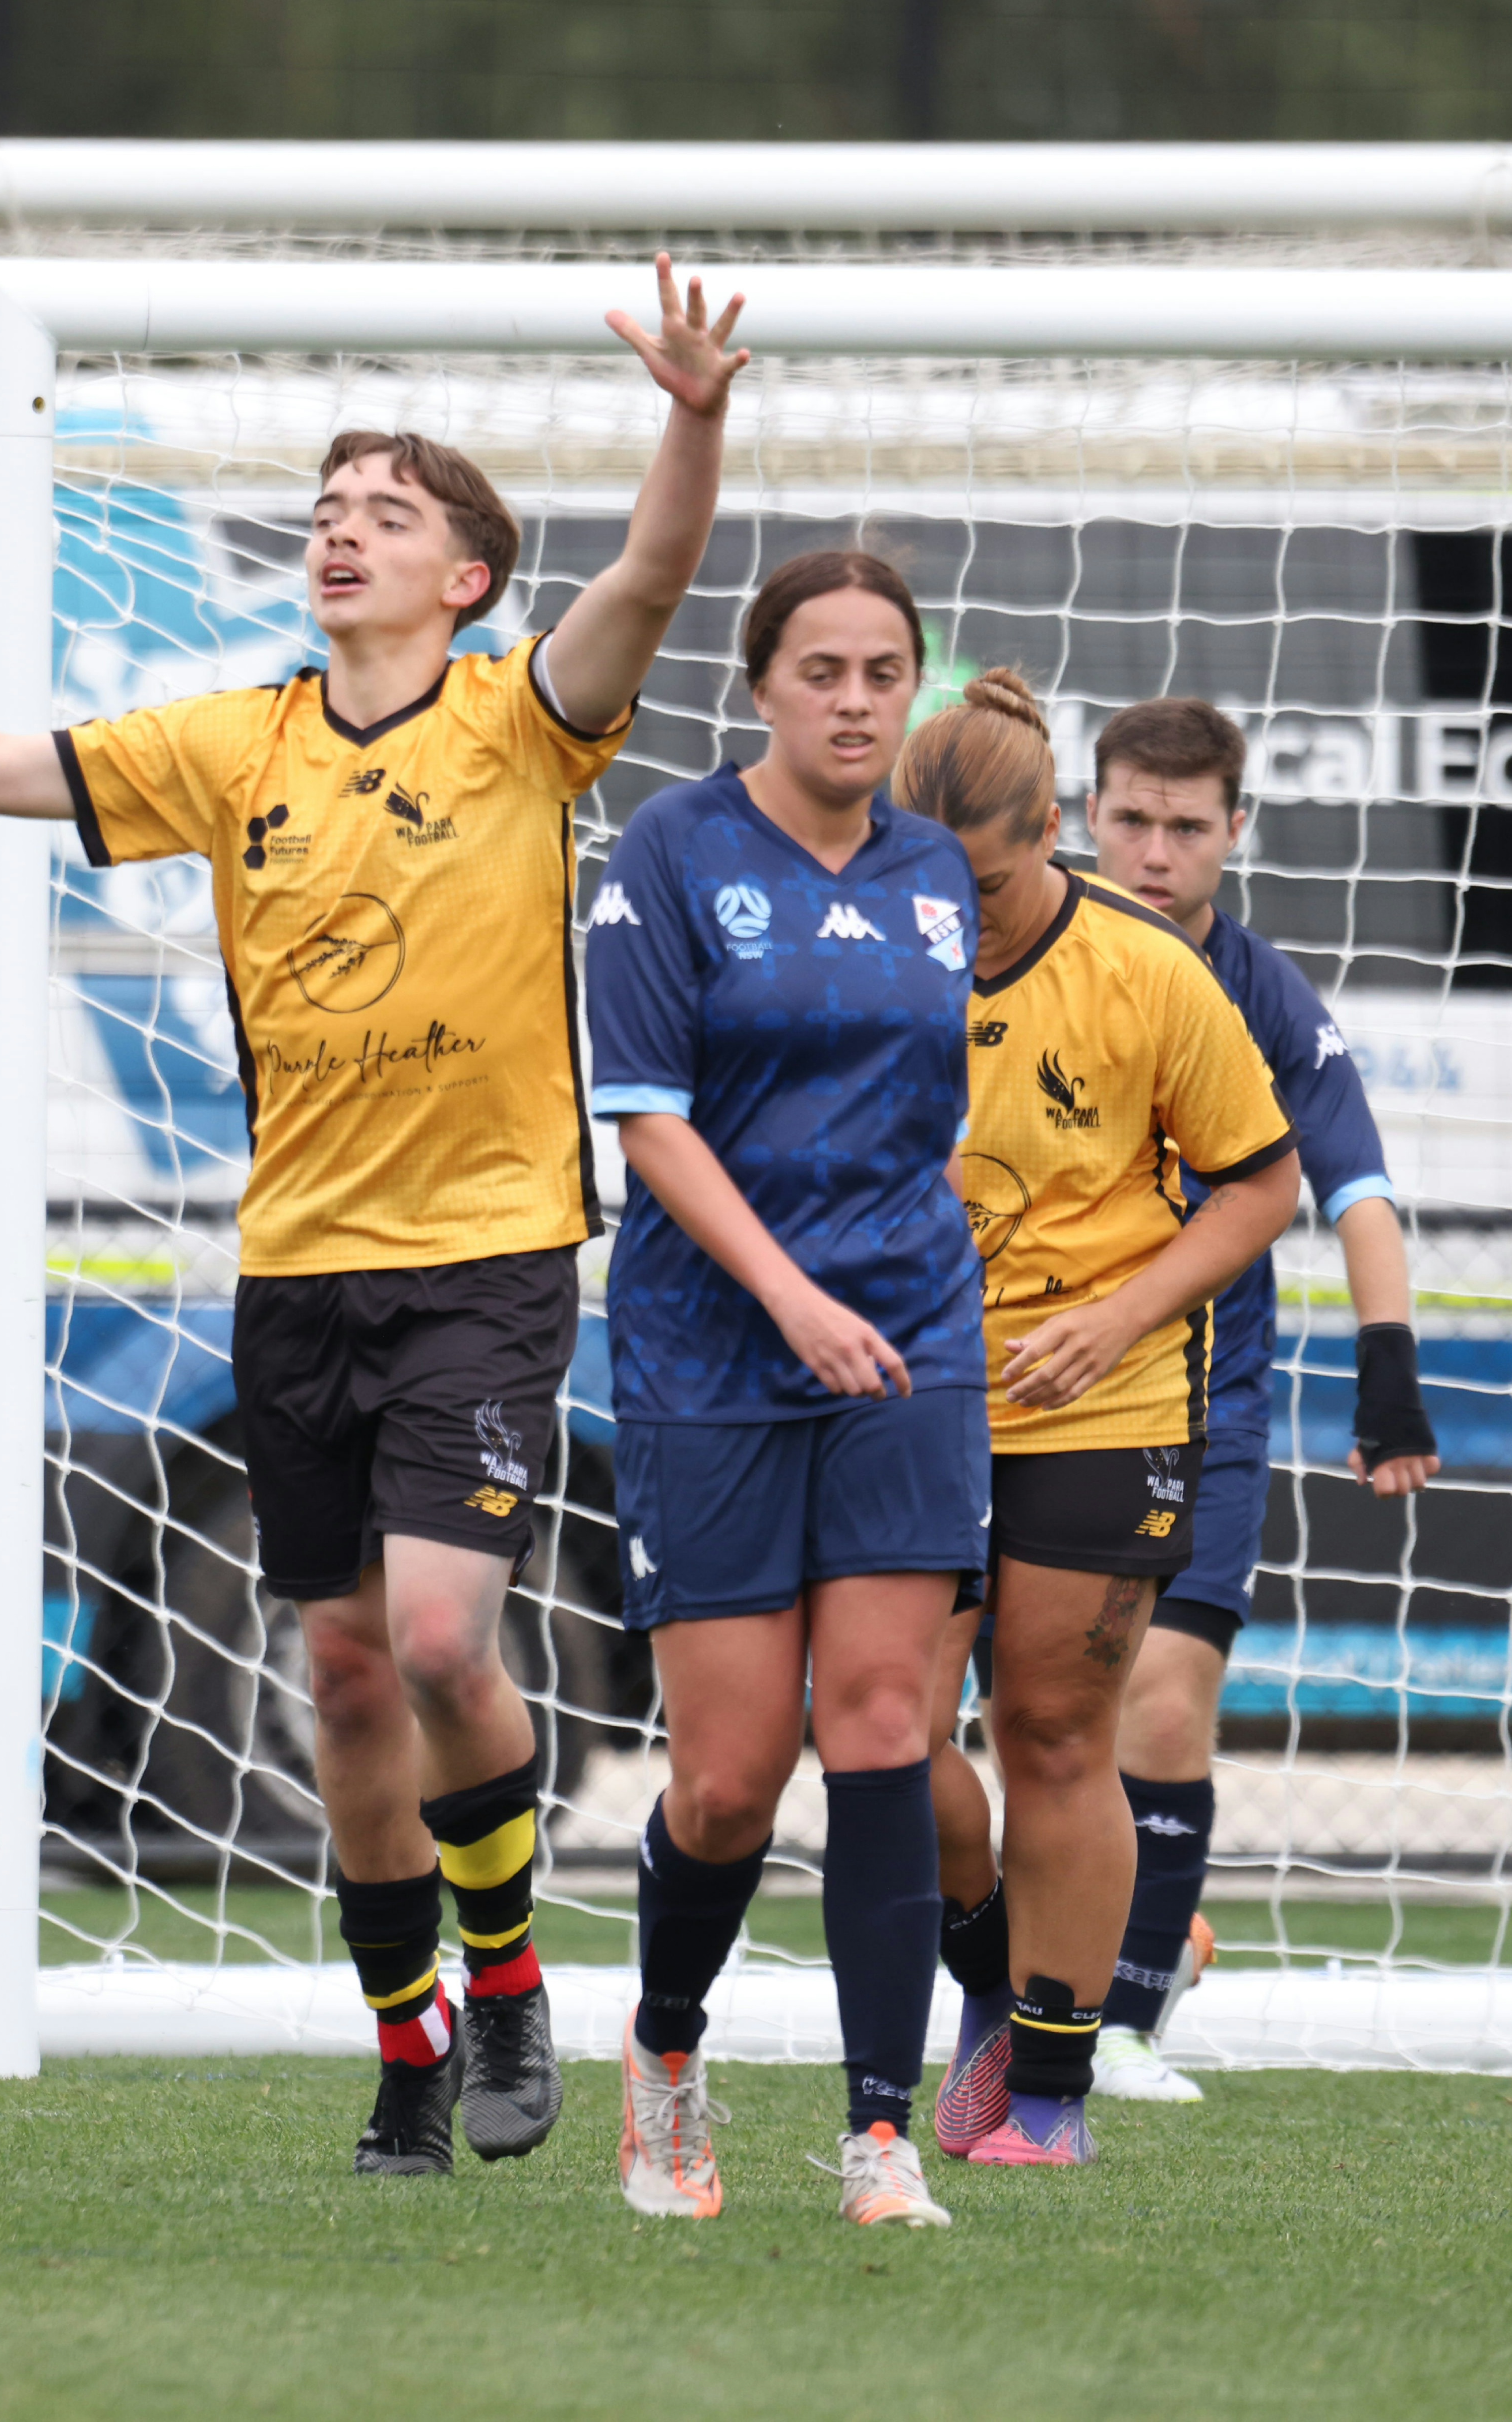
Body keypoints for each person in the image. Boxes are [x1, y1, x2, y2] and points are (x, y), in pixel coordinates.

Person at [0, 258, 749, 2177]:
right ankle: (407, 2045)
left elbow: (650, 576)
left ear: (466, 577)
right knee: (342, 1676)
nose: (341, 531)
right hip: (297, 1275)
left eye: (385, 512)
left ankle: (507, 1980)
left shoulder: (521, 721)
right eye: (326, 509)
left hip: (483, 1263)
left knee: (449, 1643)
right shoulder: (236, 743)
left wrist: (692, 416)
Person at [579, 548, 989, 2229]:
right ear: (760, 685)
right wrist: (790, 1295)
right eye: (822, 670)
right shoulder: (673, 853)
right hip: (712, 1353)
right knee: (729, 1783)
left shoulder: (939, 870)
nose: (856, 701)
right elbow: (647, 1118)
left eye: (886, 672)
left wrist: (893, 1281)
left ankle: (880, 2134)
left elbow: (931, 1111)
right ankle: (666, 2051)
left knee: (884, 1725)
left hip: (908, 1348)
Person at [892, 670, 1298, 2168]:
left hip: (1102, 1403)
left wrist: (1121, 1315)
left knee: (1059, 1734)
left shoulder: (1147, 969)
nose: (960, 917)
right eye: (932, 885)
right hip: (907, 1400)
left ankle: (1050, 2093)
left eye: (988, 888)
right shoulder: (867, 953)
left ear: (1049, 835)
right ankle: (993, 1970)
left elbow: (1263, 1184)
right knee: (883, 1735)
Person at [1078, 697, 1442, 2104]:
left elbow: (1359, 1190)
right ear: (1089, 817)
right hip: (1034, 1393)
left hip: (1205, 1403)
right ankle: (1073, 1960)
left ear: (1236, 832)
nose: (1156, 852)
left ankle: (1124, 2023)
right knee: (1038, 1723)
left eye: (1186, 826)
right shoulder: (1031, 953)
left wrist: (1388, 1373)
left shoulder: (1268, 996)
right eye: (1131, 820)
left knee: (1164, 1706)